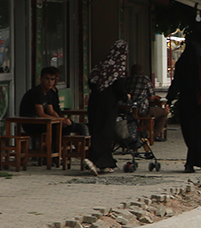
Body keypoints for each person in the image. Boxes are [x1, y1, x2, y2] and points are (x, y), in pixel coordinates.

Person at [166, 36, 201, 173]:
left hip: (186, 103)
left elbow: (176, 84)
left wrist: (169, 100)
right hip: (200, 104)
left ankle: (192, 160)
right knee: (199, 133)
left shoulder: (182, 63)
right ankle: (196, 160)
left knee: (189, 132)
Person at [18, 66, 85, 165]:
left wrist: (62, 119)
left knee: (67, 126)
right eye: (47, 79)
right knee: (55, 127)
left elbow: (51, 110)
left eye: (52, 79)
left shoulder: (49, 92)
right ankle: (50, 155)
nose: (50, 82)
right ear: (41, 79)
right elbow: (40, 113)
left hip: (44, 122)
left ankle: (56, 153)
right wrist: (59, 120)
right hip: (31, 123)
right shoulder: (37, 92)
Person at [83, 40, 128, 174]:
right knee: (105, 131)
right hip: (108, 104)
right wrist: (126, 97)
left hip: (95, 100)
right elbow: (119, 87)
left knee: (96, 129)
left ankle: (105, 162)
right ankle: (93, 159)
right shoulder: (118, 67)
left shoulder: (102, 64)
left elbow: (91, 81)